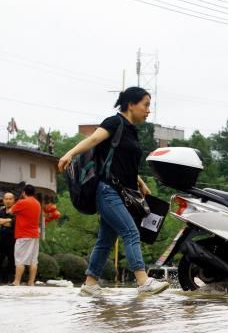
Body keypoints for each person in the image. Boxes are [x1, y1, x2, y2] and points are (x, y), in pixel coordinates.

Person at [58, 86, 169, 296]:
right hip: (107, 190)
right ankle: (143, 281)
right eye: (145, 105)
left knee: (106, 239)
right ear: (130, 104)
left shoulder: (131, 130)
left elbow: (119, 161)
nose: (148, 110)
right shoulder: (114, 122)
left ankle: (90, 283)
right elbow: (92, 140)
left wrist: (140, 181)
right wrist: (69, 154)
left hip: (121, 191)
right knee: (130, 231)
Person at [9, 185, 41, 286]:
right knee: (33, 260)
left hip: (23, 235)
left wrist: (18, 201)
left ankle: (16, 281)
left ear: (24, 192)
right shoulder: (37, 203)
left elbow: (10, 211)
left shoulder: (22, 202)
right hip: (34, 235)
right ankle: (31, 282)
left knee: (19, 259)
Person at [0, 191, 16, 283]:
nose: (8, 201)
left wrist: (3, 221)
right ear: (3, 200)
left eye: (10, 199)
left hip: (12, 239)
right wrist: (8, 220)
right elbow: (9, 222)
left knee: (12, 260)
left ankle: (10, 280)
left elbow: (13, 224)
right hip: (1, 238)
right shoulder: (1, 210)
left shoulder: (16, 211)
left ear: (14, 200)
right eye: (6, 199)